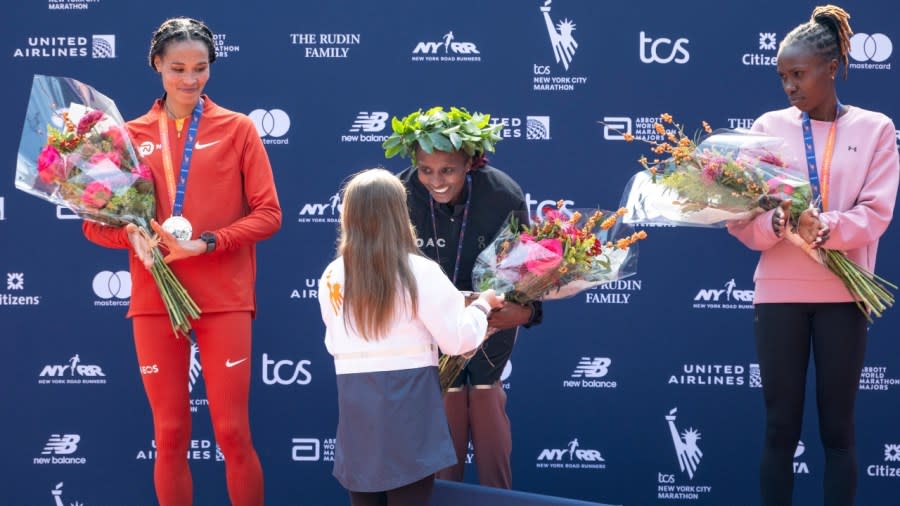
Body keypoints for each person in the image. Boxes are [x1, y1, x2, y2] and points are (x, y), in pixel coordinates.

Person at [82, 17, 281, 506]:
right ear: (156, 66)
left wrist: (209, 243)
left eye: (200, 68)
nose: (190, 79)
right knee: (169, 433)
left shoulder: (238, 129)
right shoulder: (126, 135)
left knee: (232, 432)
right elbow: (94, 224)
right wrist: (131, 235)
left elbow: (269, 214)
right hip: (156, 296)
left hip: (223, 295)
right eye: (178, 69)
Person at [726, 5, 899, 505]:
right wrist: (775, 223)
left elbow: (877, 211)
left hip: (844, 294)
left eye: (799, 75)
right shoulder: (766, 126)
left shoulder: (876, 128)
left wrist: (828, 226)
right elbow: (741, 216)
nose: (790, 88)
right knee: (780, 427)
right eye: (783, 77)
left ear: (832, 67)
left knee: (838, 430)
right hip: (778, 295)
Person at [318, 168, 504, 506]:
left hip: (357, 410)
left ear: (349, 214)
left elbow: (334, 344)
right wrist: (483, 307)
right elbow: (458, 341)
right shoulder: (419, 270)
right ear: (398, 213)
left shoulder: (332, 274)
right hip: (410, 406)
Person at [383, 107, 544, 488]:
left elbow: (531, 263)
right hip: (429, 323)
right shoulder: (400, 193)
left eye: (448, 170)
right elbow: (386, 266)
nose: (436, 181)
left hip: (492, 317)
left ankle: (498, 498)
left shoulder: (502, 192)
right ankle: (443, 496)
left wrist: (527, 310)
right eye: (426, 170)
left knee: (487, 401)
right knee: (447, 406)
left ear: (470, 162)